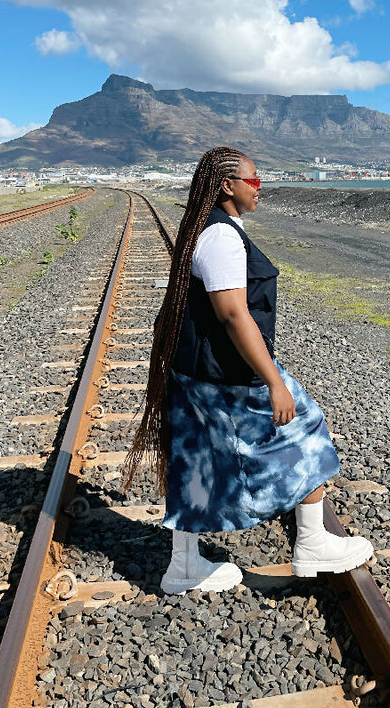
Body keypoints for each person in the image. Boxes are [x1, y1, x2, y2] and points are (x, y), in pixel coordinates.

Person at [123, 146, 373, 595]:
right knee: (306, 425)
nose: (261, 188)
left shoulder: (207, 228)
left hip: (195, 369)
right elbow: (234, 315)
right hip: (225, 374)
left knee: (196, 456)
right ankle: (313, 542)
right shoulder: (221, 238)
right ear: (228, 186)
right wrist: (275, 382)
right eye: (254, 181)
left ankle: (183, 564)